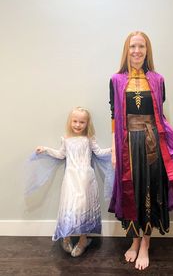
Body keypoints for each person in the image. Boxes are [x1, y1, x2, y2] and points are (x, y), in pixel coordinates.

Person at [108, 31, 173, 270]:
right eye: (133, 46)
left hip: (153, 141)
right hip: (127, 145)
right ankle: (133, 241)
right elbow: (114, 117)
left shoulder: (158, 79)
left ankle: (145, 244)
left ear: (147, 50)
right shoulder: (116, 80)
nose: (137, 51)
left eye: (141, 46)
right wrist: (113, 150)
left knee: (150, 191)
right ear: (126, 50)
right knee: (132, 192)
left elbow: (159, 117)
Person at [33, 106, 112, 257]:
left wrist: (112, 150)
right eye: (75, 121)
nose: (77, 125)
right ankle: (66, 236)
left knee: (84, 206)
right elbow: (60, 154)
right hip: (70, 178)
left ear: (87, 124)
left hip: (86, 179)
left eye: (82, 122)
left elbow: (100, 153)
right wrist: (45, 149)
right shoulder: (66, 139)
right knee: (69, 206)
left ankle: (83, 240)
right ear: (70, 121)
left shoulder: (89, 139)